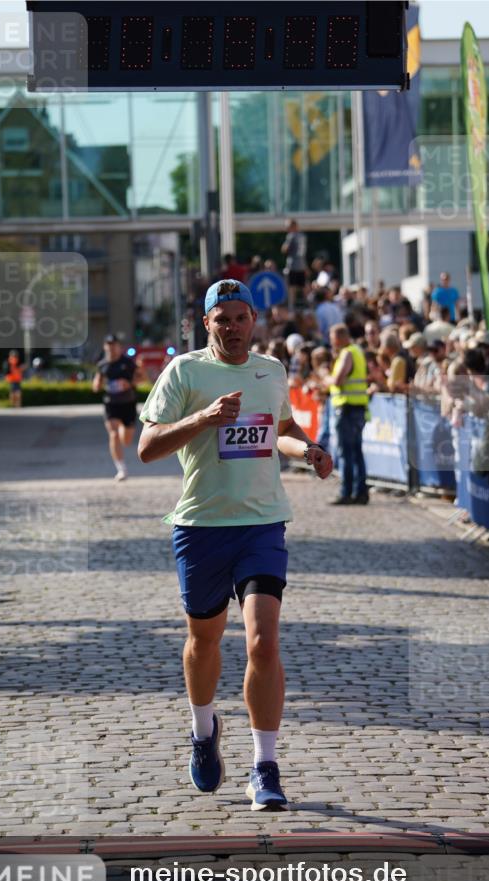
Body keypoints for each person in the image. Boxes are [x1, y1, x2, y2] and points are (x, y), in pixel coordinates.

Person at [137, 279, 333, 811]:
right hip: (200, 527)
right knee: (203, 642)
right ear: (206, 324)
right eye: (221, 318)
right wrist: (204, 418)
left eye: (240, 317)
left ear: (254, 320)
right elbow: (148, 447)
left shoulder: (271, 370)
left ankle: (264, 767)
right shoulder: (184, 371)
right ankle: (203, 731)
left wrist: (308, 451)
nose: (232, 327)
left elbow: (281, 429)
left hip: (262, 523)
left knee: (262, 642)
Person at [327, 323, 369, 505]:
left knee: (346, 453)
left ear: (340, 337)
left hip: (347, 409)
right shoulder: (357, 351)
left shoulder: (347, 353)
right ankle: (360, 493)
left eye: (333, 338)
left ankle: (347, 492)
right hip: (358, 408)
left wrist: (325, 379)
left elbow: (338, 380)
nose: (332, 343)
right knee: (357, 452)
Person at [92, 333, 143, 481]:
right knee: (113, 434)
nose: (111, 348)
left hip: (128, 403)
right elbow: (96, 385)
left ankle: (123, 429)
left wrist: (129, 383)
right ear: (105, 347)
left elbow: (141, 378)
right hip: (111, 404)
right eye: (109, 345)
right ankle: (121, 469)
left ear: (119, 347)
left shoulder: (128, 363)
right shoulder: (102, 365)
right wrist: (97, 384)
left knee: (126, 440)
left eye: (114, 345)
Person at [280, 220, 308, 309]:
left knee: (292, 287)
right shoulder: (302, 236)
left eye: (287, 226)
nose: (286, 229)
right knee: (303, 286)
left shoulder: (291, 236)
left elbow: (285, 249)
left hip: (293, 264)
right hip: (302, 264)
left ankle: (291, 306)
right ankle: (308, 305)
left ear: (293, 226)